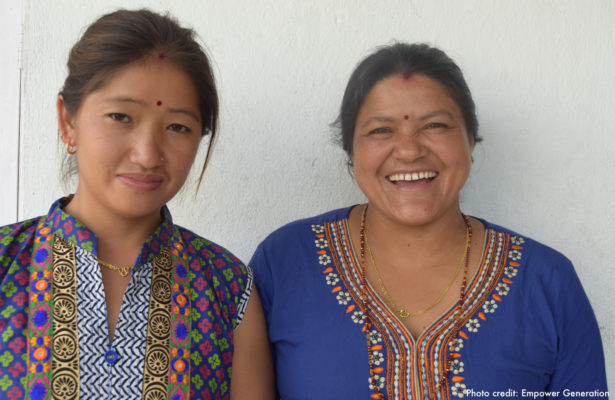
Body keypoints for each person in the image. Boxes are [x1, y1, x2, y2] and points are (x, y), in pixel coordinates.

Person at [250, 43, 607, 399]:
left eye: (435, 125)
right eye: (381, 130)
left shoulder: (548, 283)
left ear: (470, 139)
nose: (409, 150)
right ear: (351, 150)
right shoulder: (285, 263)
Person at [0, 9, 273, 400]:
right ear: (68, 121)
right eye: (121, 117)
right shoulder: (7, 264)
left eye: (178, 127)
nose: (147, 154)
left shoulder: (228, 289)